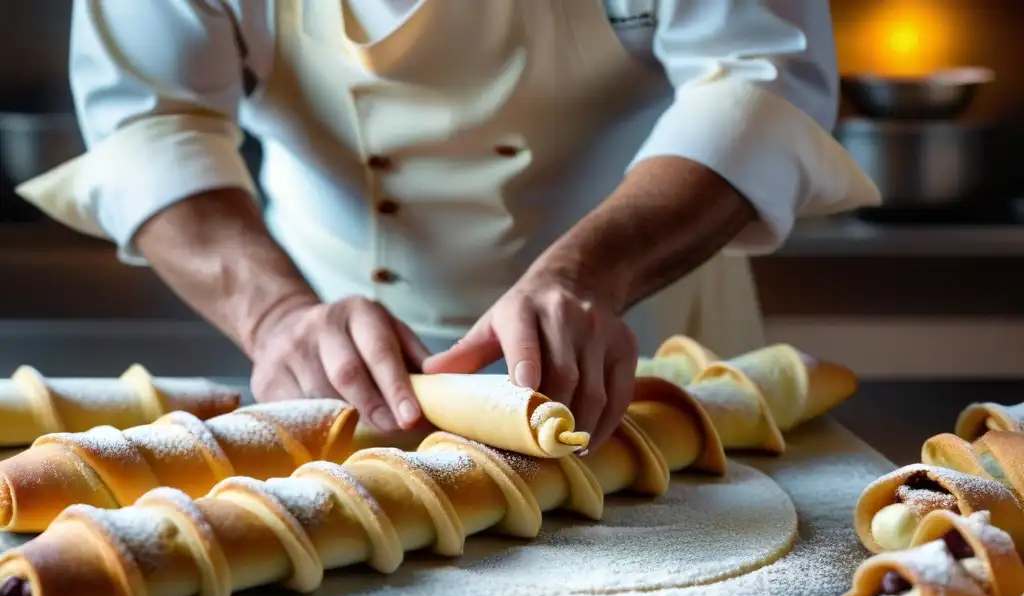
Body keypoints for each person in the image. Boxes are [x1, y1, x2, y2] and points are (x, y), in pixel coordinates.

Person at [19, 0, 878, 451]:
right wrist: (276, 318)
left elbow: (759, 81)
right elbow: (151, 120)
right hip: (332, 380)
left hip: (651, 356)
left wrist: (586, 274)